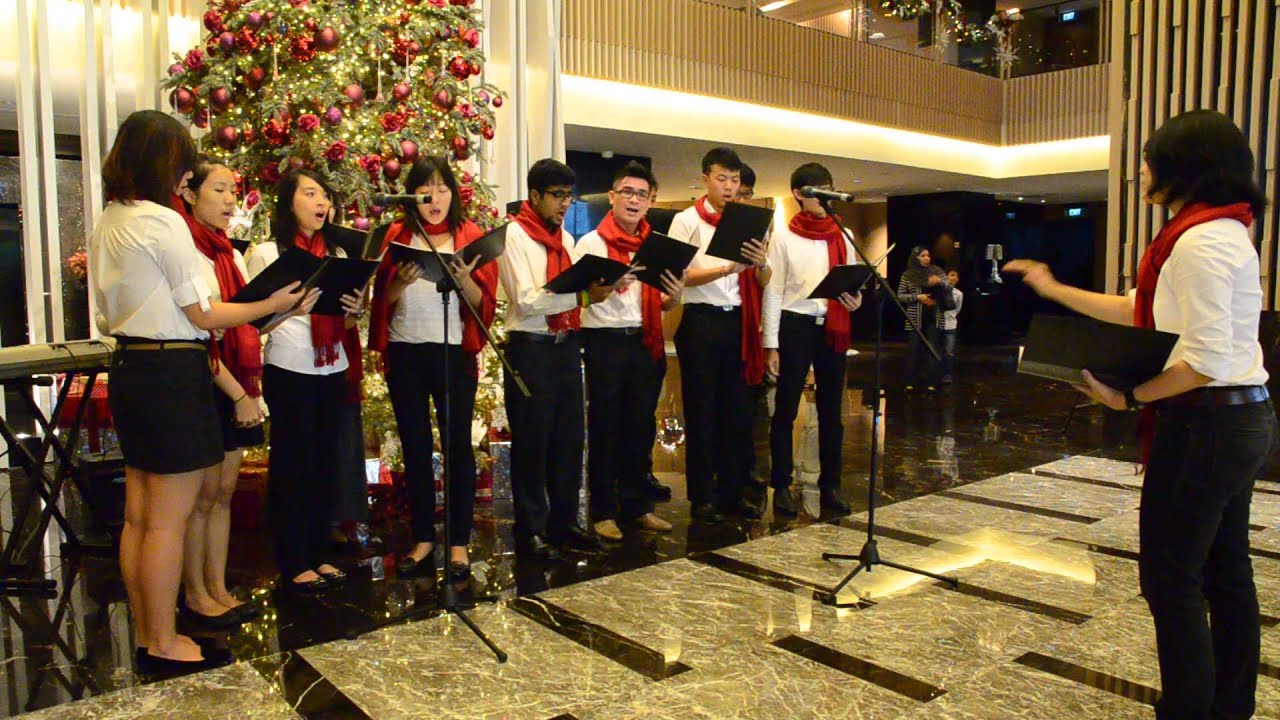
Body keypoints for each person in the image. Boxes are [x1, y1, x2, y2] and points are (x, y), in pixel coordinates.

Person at [1006, 109, 1276, 720]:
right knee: (1224, 569)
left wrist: (1128, 399)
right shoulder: (1220, 230)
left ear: (1185, 168)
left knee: (1172, 578)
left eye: (1151, 159)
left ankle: (1189, 709)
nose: (1143, 171)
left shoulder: (1201, 240)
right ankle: (1229, 706)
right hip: (1236, 418)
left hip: (1207, 422)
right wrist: (1052, 289)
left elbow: (1201, 360)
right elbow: (1142, 311)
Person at [90, 111, 316, 671]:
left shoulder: (109, 220)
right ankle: (164, 638)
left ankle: (148, 630)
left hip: (132, 368)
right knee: (166, 517)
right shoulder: (161, 222)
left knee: (140, 515)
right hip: (171, 372)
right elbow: (204, 313)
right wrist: (273, 304)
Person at [368, 156, 499, 581]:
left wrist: (464, 279)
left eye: (443, 189)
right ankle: (423, 538)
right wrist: (400, 283)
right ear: (413, 196)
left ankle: (458, 542)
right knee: (416, 446)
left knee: (458, 446)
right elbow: (380, 305)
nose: (435, 199)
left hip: (453, 353)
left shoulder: (470, 237)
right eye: (426, 190)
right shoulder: (395, 236)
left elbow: (484, 305)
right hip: (406, 352)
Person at [498, 159, 629, 558]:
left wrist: (597, 286)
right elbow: (527, 299)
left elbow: (564, 289)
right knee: (533, 442)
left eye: (569, 197)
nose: (564, 205)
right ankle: (531, 529)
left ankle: (565, 523)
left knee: (569, 439)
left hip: (566, 343)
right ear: (534, 195)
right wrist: (584, 296)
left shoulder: (566, 242)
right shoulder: (514, 235)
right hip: (530, 346)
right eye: (557, 196)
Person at [252, 170, 366, 593]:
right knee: (292, 465)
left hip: (332, 365)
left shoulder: (336, 251)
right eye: (311, 193)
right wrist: (291, 311)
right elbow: (253, 322)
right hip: (289, 366)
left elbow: (346, 317)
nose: (323, 203)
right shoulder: (268, 253)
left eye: (326, 196)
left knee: (325, 464)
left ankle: (319, 553)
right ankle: (293, 558)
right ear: (289, 202)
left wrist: (353, 307)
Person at [173, 159, 264, 629]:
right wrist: (236, 394)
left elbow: (247, 319)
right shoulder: (187, 248)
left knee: (224, 491)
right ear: (189, 194)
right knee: (202, 497)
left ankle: (219, 586)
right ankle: (195, 592)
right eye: (220, 190)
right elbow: (200, 332)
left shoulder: (227, 252)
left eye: (234, 191)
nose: (231, 200)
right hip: (210, 384)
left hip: (237, 385)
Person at [572, 161, 684, 540]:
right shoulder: (591, 243)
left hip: (644, 339)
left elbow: (664, 302)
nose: (634, 200)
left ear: (650, 201)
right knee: (605, 427)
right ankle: (603, 511)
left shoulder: (655, 246)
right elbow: (576, 299)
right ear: (612, 197)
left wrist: (677, 296)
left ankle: (638, 507)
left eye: (642, 195)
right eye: (627, 193)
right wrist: (606, 287)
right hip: (604, 341)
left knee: (640, 425)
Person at [668, 147, 770, 522]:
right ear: (706, 178)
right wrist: (728, 269)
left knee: (737, 413)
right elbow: (680, 276)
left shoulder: (748, 221)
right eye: (722, 179)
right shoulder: (686, 220)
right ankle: (703, 497)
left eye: (735, 180)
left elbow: (764, 278)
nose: (729, 187)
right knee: (702, 412)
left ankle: (732, 492)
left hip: (738, 322)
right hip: (701, 322)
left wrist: (759, 265)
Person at [763, 163, 862, 518]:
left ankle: (830, 486)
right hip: (795, 325)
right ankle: (782, 485)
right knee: (786, 409)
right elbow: (773, 291)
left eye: (828, 188)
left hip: (832, 326)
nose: (823, 196)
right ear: (798, 194)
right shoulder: (784, 237)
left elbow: (851, 285)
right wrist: (770, 343)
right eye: (816, 189)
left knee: (831, 412)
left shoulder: (843, 233)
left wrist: (856, 299)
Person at [896, 246, 949, 391]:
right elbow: (899, 296)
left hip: (934, 317)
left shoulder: (937, 271)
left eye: (928, 255)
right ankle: (911, 381)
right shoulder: (908, 275)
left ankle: (932, 381)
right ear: (916, 258)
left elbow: (949, 287)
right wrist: (917, 297)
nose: (927, 258)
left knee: (932, 349)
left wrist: (940, 281)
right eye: (923, 256)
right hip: (915, 319)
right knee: (913, 350)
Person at [938, 270, 962, 384]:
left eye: (956, 276)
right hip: (938, 323)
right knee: (936, 348)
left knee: (949, 351)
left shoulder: (959, 293)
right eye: (952, 275)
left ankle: (947, 374)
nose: (954, 278)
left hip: (951, 325)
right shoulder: (940, 291)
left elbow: (957, 309)